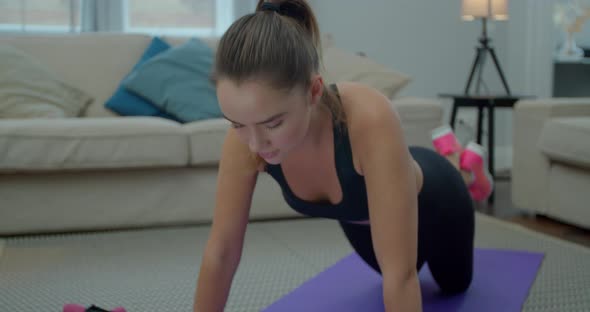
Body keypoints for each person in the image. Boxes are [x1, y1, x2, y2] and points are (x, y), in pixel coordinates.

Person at [193, 1, 493, 311]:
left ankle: (464, 168)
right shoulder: (247, 134)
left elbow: (401, 278)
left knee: (452, 286)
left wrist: (401, 280)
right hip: (363, 221)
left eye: (273, 123)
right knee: (394, 270)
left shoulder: (369, 116)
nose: (255, 144)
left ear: (313, 91)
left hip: (439, 205)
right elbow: (222, 251)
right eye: (238, 124)